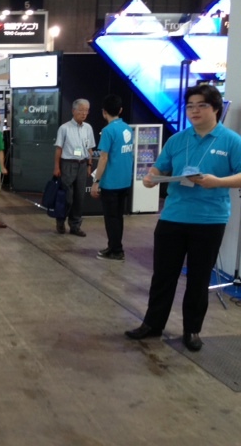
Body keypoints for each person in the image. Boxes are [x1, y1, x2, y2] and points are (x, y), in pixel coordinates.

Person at [125, 85, 241, 352]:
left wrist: (218, 182)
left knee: (199, 278)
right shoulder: (177, 139)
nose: (194, 111)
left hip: (209, 220)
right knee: (163, 275)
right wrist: (151, 177)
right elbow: (159, 167)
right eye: (190, 106)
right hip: (173, 217)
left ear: (215, 108)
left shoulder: (231, 141)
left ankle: (192, 330)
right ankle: (153, 324)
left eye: (201, 105)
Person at [90, 94, 133, 261]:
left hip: (111, 182)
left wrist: (96, 181)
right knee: (118, 217)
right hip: (125, 181)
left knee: (111, 218)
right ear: (120, 110)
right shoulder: (127, 128)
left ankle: (116, 250)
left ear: (104, 112)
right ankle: (115, 246)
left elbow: (103, 158)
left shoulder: (108, 131)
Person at [53, 99, 95, 236]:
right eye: (81, 110)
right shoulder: (64, 128)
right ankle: (60, 221)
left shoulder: (88, 128)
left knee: (79, 197)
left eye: (86, 111)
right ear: (73, 111)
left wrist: (89, 165)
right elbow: (58, 149)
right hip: (67, 164)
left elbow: (90, 149)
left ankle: (75, 225)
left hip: (82, 164)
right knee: (67, 197)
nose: (84, 113)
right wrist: (56, 167)